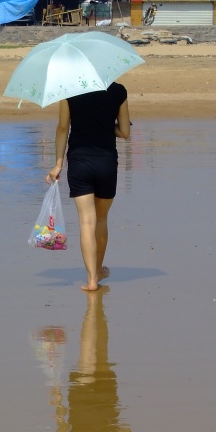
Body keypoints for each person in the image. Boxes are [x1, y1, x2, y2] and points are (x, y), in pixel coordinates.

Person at [46, 83, 131, 291]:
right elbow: (125, 131)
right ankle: (99, 270)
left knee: (86, 222)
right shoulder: (118, 91)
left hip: (79, 162)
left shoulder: (68, 90)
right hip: (107, 162)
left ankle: (92, 279)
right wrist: (103, 125)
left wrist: (58, 164)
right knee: (101, 220)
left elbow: (63, 127)